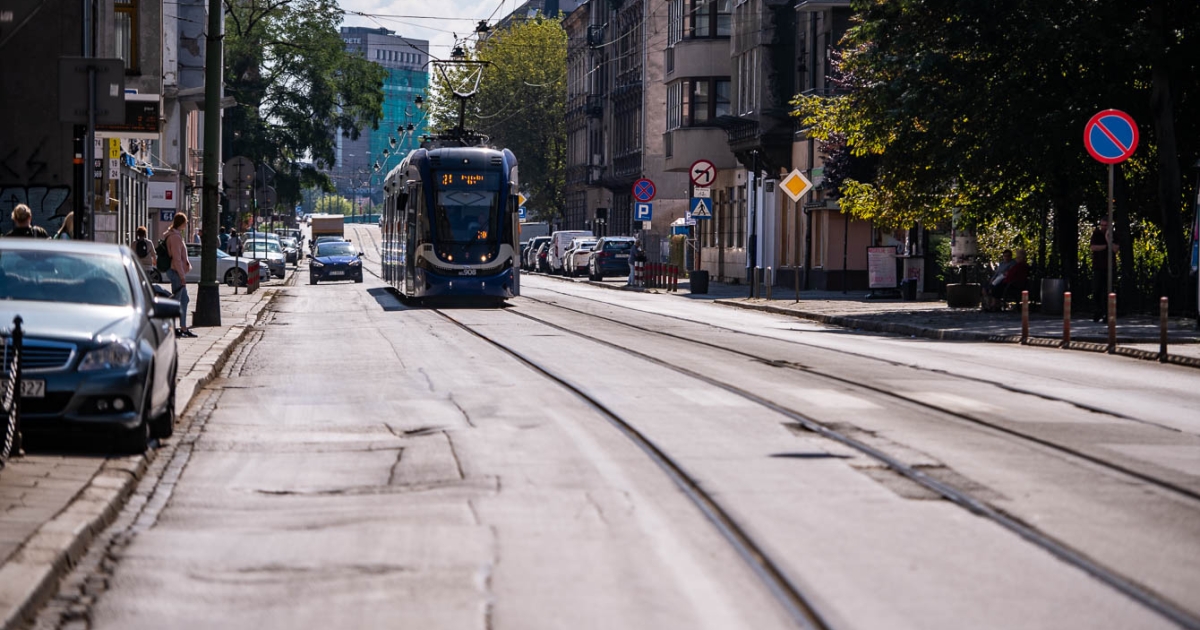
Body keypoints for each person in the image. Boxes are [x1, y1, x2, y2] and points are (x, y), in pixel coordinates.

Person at [163, 213, 197, 338]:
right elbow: (177, 258)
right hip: (176, 272)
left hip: (176, 271)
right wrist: (182, 276)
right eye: (186, 222)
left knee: (183, 300)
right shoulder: (175, 237)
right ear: (181, 223)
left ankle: (182, 328)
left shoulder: (174, 235)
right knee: (177, 301)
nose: (186, 224)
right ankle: (173, 328)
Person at [1090, 218, 1120, 322]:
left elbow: (1115, 249)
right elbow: (1093, 247)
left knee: (1108, 292)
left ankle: (1107, 314)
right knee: (1096, 291)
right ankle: (1098, 311)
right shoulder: (1097, 234)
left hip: (1109, 268)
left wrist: (1108, 239)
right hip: (1098, 267)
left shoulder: (1114, 235)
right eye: (1102, 225)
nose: (1103, 227)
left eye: (1106, 226)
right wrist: (1107, 246)